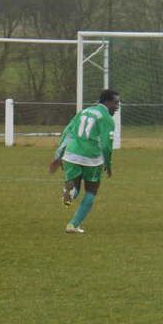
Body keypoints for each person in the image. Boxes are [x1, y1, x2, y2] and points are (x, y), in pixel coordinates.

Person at [48, 89, 120, 234]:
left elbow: (68, 132)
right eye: (115, 103)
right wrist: (108, 164)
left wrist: (58, 155)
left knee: (74, 188)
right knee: (91, 191)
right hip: (91, 158)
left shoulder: (84, 112)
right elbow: (106, 145)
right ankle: (73, 225)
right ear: (107, 102)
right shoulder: (107, 118)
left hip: (71, 154)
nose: (117, 106)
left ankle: (68, 192)